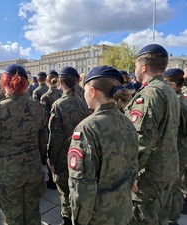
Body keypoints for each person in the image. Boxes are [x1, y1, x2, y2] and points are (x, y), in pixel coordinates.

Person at [0, 64, 48, 225]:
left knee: (11, 217)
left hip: (6, 171)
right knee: (33, 213)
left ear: (5, 82)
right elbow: (44, 139)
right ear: (25, 84)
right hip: (32, 168)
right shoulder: (37, 107)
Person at [68, 65, 139, 225]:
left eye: (85, 90)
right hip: (123, 210)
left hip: (98, 216)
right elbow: (134, 164)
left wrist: (79, 220)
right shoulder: (127, 121)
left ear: (93, 91)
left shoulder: (87, 128)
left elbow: (82, 185)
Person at [124, 44, 180, 225]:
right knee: (160, 218)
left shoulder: (149, 95)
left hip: (148, 175)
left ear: (143, 67)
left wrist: (130, 174)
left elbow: (141, 140)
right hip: (167, 168)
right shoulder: (169, 90)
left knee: (143, 219)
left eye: (135, 66)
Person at [47, 66, 90, 225]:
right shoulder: (83, 102)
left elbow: (55, 137)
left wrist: (51, 160)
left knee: (65, 193)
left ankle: (67, 219)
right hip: (80, 154)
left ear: (60, 82)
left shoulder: (58, 105)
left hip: (64, 158)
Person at [163, 68, 187, 225]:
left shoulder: (177, 102)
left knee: (174, 186)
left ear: (171, 84)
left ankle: (173, 217)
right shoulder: (181, 100)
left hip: (177, 149)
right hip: (180, 148)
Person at [40, 69, 62, 190]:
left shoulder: (45, 96)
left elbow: (44, 117)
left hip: (50, 128)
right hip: (62, 126)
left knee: (51, 151)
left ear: (47, 81)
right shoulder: (61, 93)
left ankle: (52, 178)